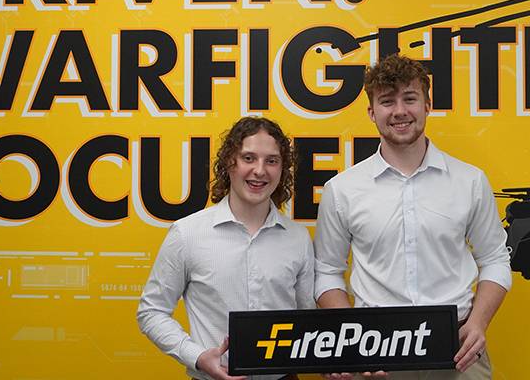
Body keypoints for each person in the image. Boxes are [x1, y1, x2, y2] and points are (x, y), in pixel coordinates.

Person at [313, 54, 511, 379]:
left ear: (427, 105)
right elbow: (326, 272)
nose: (400, 111)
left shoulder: (470, 181)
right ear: (371, 112)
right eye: (387, 101)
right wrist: (353, 338)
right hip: (376, 352)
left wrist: (478, 322)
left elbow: (496, 260)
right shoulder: (342, 189)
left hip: (458, 349)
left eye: (410, 98)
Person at [138, 117, 314, 380]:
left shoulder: (298, 238)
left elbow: (307, 320)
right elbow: (151, 311)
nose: (260, 170)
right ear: (229, 163)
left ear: (282, 169)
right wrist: (196, 356)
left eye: (272, 161)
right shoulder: (187, 234)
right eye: (249, 158)